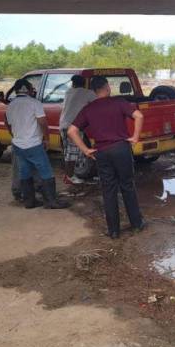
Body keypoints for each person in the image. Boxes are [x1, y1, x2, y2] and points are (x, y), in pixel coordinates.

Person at [67, 76, 145, 239]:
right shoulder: (119, 102)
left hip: (101, 152)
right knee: (127, 186)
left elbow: (71, 131)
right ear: (107, 87)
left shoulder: (88, 109)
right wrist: (135, 137)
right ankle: (137, 224)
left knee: (108, 190)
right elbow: (139, 116)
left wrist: (86, 150)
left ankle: (114, 231)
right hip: (121, 149)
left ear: (94, 91)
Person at [5, 79, 69, 210]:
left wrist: (15, 136)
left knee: (25, 172)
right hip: (34, 144)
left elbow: (8, 123)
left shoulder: (11, 105)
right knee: (46, 172)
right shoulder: (35, 103)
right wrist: (46, 138)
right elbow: (43, 123)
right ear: (28, 90)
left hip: (18, 144)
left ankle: (29, 201)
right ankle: (51, 201)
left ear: (16, 90)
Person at [59, 75, 97, 185]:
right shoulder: (88, 93)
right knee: (73, 154)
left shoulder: (68, 92)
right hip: (74, 127)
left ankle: (69, 175)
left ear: (73, 84)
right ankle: (69, 177)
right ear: (84, 83)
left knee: (68, 152)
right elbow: (98, 103)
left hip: (63, 125)